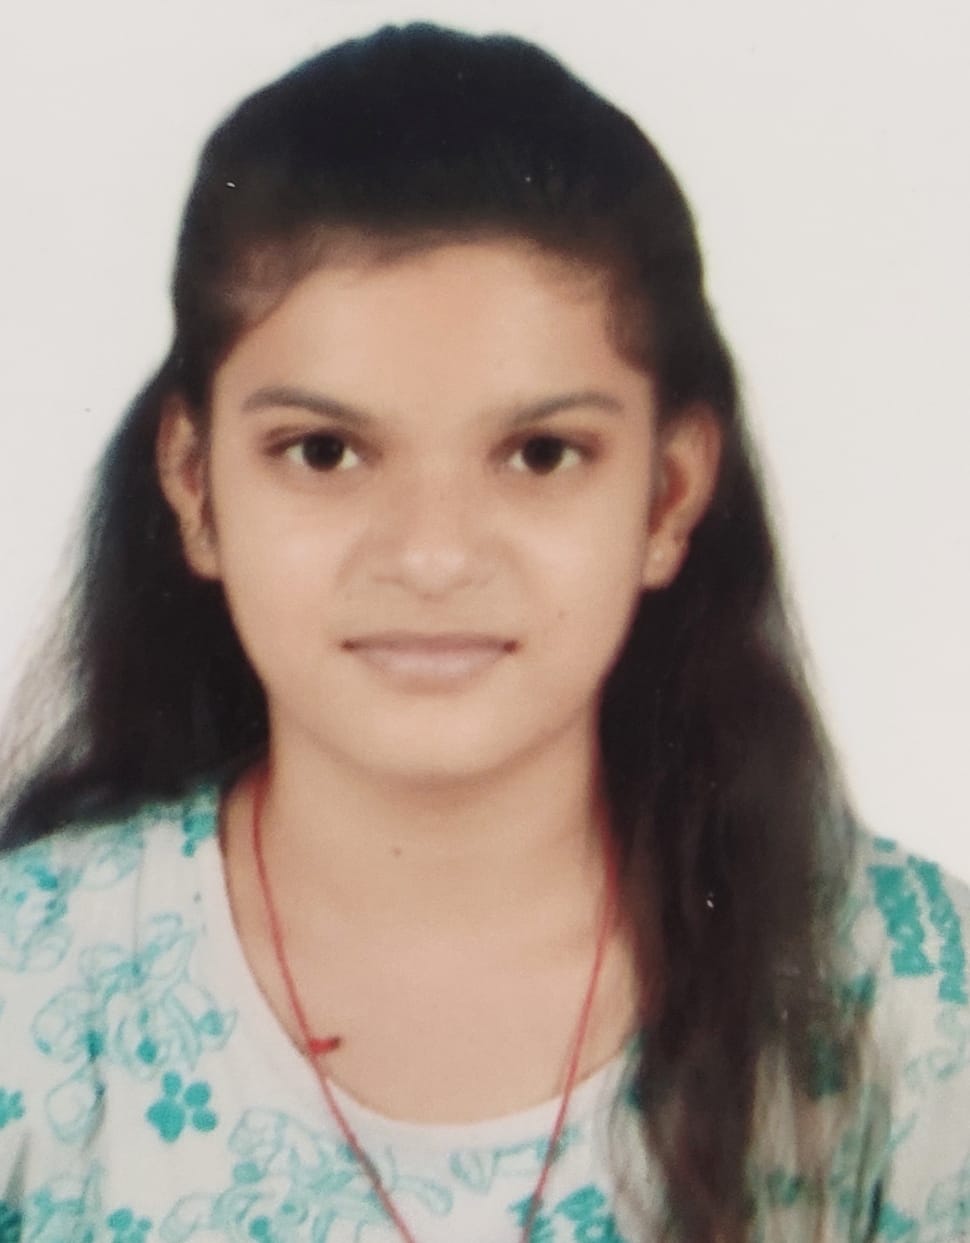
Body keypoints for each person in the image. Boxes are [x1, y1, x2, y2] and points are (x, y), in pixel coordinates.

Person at [0, 21, 967, 1243]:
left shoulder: (905, 1000)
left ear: (667, 496)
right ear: (196, 487)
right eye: (324, 451)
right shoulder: (28, 992)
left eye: (540, 453)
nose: (433, 555)